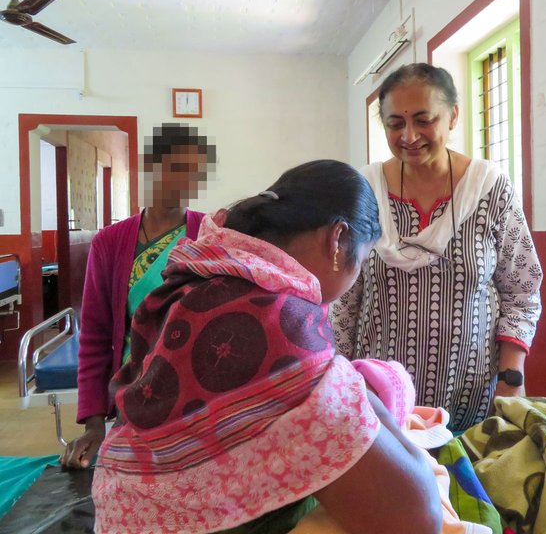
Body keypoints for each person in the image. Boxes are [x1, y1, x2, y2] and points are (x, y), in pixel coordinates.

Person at [91, 160, 442, 534]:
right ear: (338, 240)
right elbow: (417, 519)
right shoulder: (282, 327)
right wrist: (355, 388)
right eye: (364, 258)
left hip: (118, 509)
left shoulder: (200, 274)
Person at [332, 63, 543, 431]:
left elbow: (521, 290)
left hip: (471, 393)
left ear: (453, 116)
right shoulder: (365, 192)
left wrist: (512, 380)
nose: (410, 136)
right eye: (395, 123)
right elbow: (345, 301)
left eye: (423, 120)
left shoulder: (490, 189)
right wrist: (340, 381)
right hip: (379, 398)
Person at [62, 123, 216, 469]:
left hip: (194, 401)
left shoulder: (209, 236)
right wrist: (95, 422)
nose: (185, 182)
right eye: (176, 169)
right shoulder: (110, 243)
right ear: (150, 167)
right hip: (131, 397)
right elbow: (96, 338)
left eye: (194, 172)